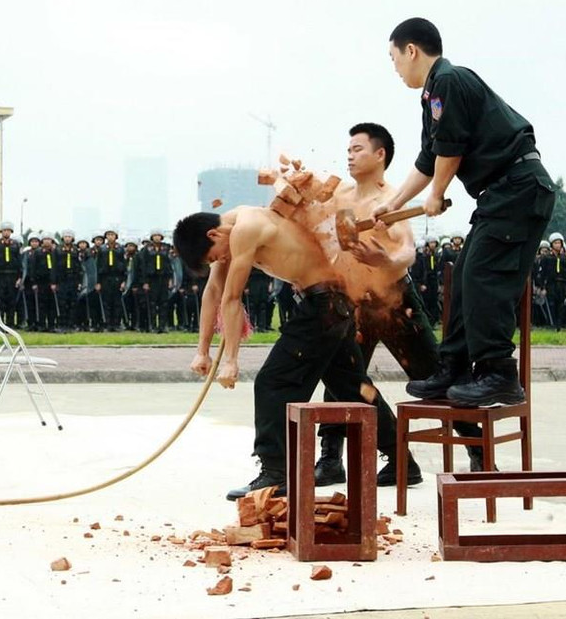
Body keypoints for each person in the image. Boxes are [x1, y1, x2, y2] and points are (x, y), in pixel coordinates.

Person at [174, 207, 414, 501]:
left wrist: (231, 360)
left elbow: (232, 297)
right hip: (330, 303)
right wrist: (202, 351)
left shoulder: (245, 228)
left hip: (325, 304)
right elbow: (213, 292)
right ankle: (403, 462)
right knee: (351, 387)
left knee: (273, 383)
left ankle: (276, 472)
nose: (220, 261)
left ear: (213, 235)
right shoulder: (228, 228)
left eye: (215, 256)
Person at [380, 18, 556, 407]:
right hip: (500, 195)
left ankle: (498, 374)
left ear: (411, 51)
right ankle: (454, 367)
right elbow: (430, 157)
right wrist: (391, 205)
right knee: (461, 277)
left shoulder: (449, 80)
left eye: (394, 59)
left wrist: (437, 194)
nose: (395, 69)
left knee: (482, 275)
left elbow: (451, 150)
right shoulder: (433, 95)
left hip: (518, 188)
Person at [314, 123, 483, 487]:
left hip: (394, 301)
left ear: (380, 155)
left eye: (358, 149)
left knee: (433, 376)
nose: (349, 154)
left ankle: (477, 449)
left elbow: (406, 251)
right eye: (348, 149)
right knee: (343, 376)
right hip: (353, 301)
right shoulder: (339, 195)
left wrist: (385, 263)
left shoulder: (391, 200)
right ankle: (334, 459)